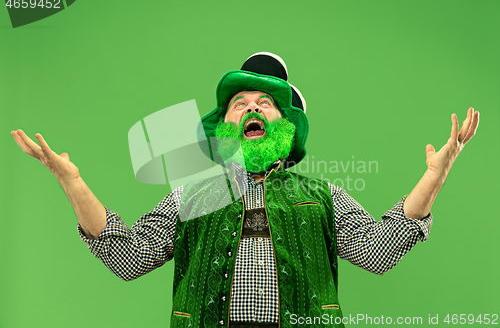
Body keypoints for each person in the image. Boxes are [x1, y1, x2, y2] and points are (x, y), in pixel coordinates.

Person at [11, 53, 480, 328]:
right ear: (225, 128)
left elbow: (380, 251)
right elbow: (128, 257)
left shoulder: (321, 194)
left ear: (286, 126)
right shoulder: (193, 196)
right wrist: (72, 184)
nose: (252, 108)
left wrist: (434, 177)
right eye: (240, 103)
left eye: (265, 103)